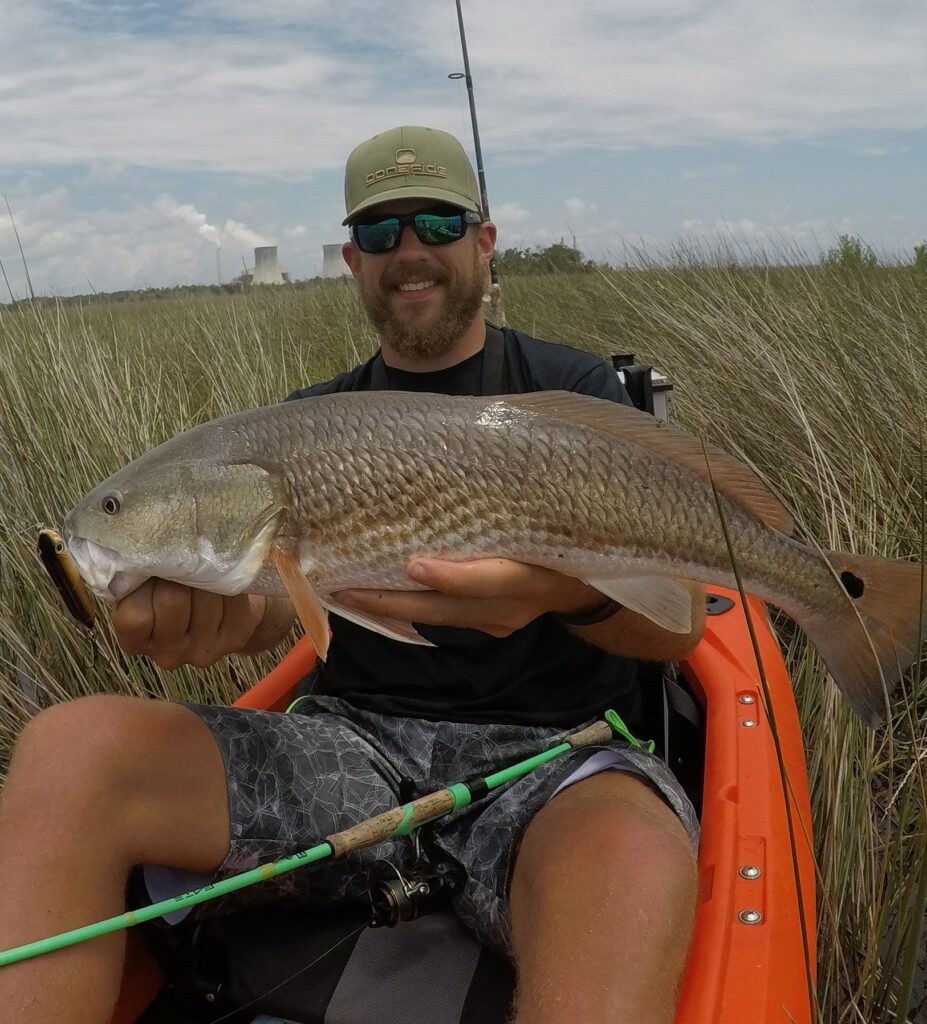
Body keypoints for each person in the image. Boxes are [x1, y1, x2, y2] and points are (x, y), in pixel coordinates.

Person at [0, 126, 704, 1024]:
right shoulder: (307, 423)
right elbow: (262, 612)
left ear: (484, 243)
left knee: (633, 862)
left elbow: (679, 621)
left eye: (437, 222)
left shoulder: (575, 395)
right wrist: (202, 620)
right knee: (67, 751)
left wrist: (564, 591)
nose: (409, 252)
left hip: (556, 759)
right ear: (351, 260)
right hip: (349, 750)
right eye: (379, 234)